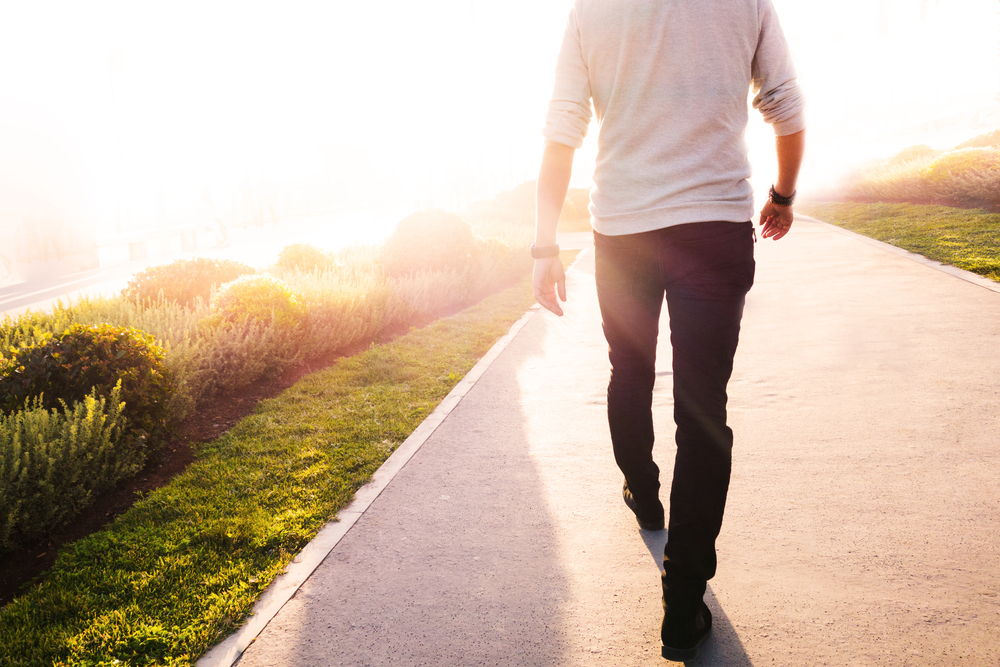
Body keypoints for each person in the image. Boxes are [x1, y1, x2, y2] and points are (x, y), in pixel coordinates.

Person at [531, 0, 805, 661]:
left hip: (622, 230)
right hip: (712, 225)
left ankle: (644, 495)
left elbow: (562, 131)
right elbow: (787, 109)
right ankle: (683, 606)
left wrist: (544, 246)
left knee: (629, 370)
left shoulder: (589, 10)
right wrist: (784, 194)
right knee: (702, 408)